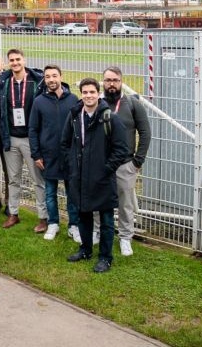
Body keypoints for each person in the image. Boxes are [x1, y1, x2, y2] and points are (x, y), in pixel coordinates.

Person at [63, 78, 130, 273]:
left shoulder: (110, 117)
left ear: (98, 94)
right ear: (81, 94)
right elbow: (65, 143)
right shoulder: (75, 115)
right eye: (85, 92)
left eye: (92, 92)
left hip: (102, 177)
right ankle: (85, 249)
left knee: (106, 220)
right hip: (80, 176)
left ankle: (105, 257)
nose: (88, 96)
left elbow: (121, 149)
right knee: (83, 215)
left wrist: (106, 169)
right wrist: (72, 165)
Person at [102, 66, 151, 257]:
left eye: (115, 80)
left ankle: (125, 238)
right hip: (102, 165)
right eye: (108, 80)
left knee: (125, 205)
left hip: (125, 165)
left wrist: (137, 161)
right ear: (103, 82)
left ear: (121, 81)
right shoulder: (97, 103)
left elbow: (145, 132)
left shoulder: (132, 104)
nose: (111, 84)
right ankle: (98, 232)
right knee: (101, 201)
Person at [29, 65, 79, 240]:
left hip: (69, 155)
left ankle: (74, 225)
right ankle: (53, 223)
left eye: (54, 76)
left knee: (72, 193)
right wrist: (36, 154)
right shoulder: (39, 101)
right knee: (50, 192)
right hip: (48, 155)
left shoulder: (73, 100)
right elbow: (33, 129)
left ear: (61, 76)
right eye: (47, 77)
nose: (51, 80)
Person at [0, 48, 42, 228]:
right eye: (12, 60)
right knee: (13, 179)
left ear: (24, 60)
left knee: (38, 180)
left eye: (18, 59)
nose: (15, 63)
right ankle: (13, 213)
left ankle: (43, 217)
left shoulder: (36, 82)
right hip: (11, 139)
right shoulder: (4, 82)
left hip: (30, 139)